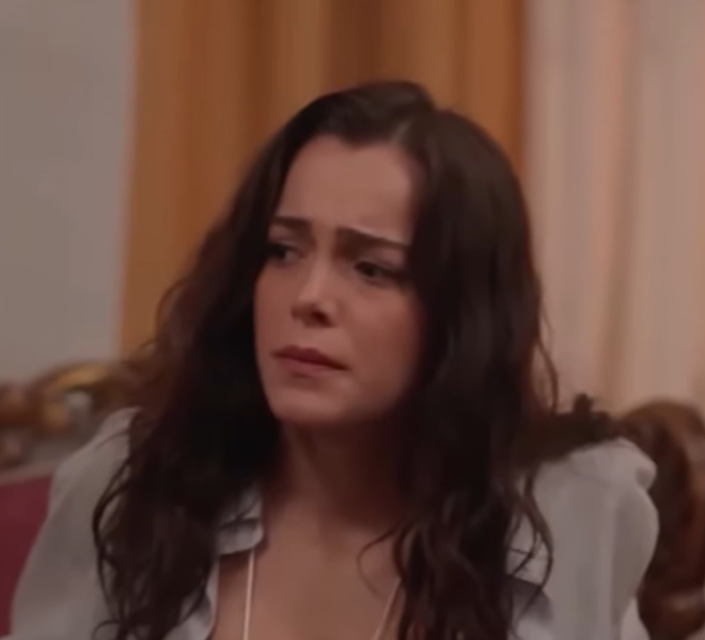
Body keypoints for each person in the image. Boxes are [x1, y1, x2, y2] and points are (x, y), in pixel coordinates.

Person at [6, 81, 657, 640]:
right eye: (283, 252)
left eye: (371, 268)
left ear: (461, 311)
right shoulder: (134, 481)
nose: (308, 297)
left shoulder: (565, 512)